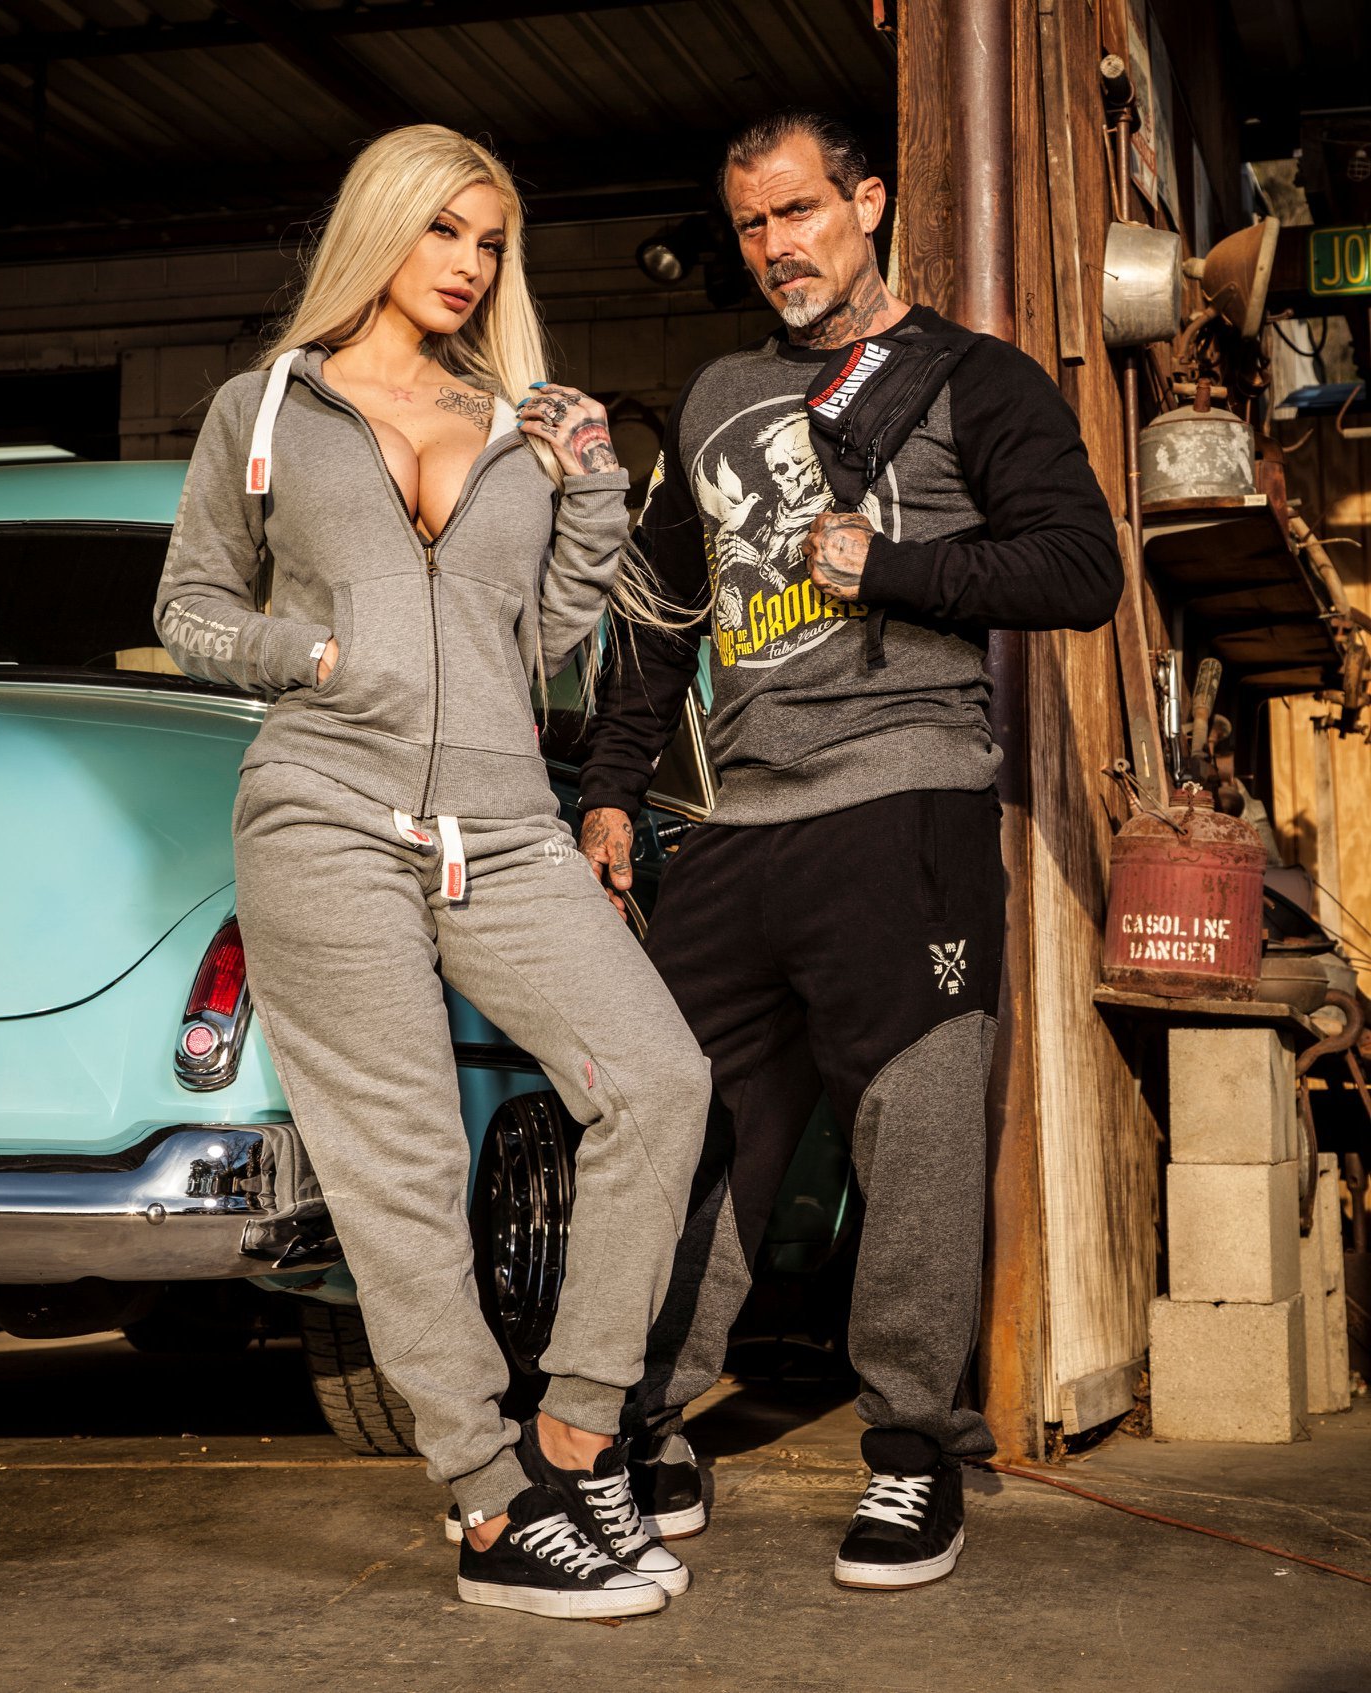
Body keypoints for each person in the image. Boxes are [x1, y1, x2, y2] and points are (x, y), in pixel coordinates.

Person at [154, 124, 712, 1622]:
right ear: (382, 227)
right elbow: (190, 605)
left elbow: (544, 645)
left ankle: (577, 1432)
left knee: (659, 1080)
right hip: (323, 808)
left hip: (505, 823)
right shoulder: (266, 407)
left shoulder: (511, 420)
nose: (469, 265)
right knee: (405, 1162)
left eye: (492, 243)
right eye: (445, 231)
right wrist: (313, 655)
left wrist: (592, 494)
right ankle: (484, 1497)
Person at [578, 109, 1123, 1590]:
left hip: (904, 801)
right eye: (753, 224)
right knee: (682, 1122)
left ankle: (911, 1450)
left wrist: (893, 565)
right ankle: (646, 1418)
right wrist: (613, 788)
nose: (779, 247)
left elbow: (1082, 564)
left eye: (803, 211)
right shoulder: (716, 394)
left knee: (913, 1126)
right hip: (737, 823)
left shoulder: (971, 379)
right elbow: (660, 616)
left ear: (868, 204)